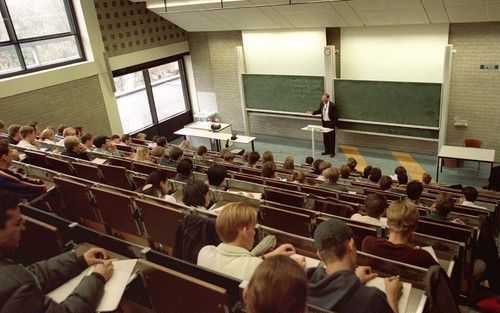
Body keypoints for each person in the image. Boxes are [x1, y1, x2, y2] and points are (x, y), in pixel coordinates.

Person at [0, 190, 114, 313]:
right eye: (17, 223)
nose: (23, 227)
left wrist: (80, 261)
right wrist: (97, 278)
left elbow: (31, 276)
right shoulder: (13, 286)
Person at [308, 219, 402, 313]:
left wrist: (353, 282)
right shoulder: (372, 299)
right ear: (351, 245)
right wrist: (392, 298)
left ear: (319, 255)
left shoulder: (302, 284)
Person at [197, 202, 296, 281]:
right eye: (253, 228)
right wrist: (296, 269)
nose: (254, 232)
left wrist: (270, 255)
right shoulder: (258, 269)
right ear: (244, 232)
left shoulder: (204, 252)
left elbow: (238, 262)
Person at [362, 200, 438, 268]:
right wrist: (415, 252)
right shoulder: (422, 257)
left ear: (388, 222)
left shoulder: (368, 243)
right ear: (414, 227)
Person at [306, 93, 339, 158]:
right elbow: (319, 111)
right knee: (325, 137)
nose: (323, 99)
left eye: (324, 98)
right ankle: (327, 151)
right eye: (322, 98)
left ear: (328, 98)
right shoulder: (322, 104)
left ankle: (332, 152)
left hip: (330, 123)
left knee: (331, 139)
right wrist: (312, 113)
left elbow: (336, 116)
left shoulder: (332, 105)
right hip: (324, 123)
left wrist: (332, 124)